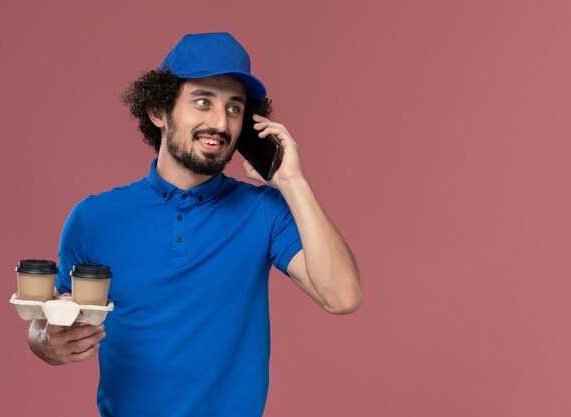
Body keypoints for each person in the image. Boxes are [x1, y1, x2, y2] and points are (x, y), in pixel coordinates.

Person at [27, 32, 363, 417]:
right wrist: (47, 342)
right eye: (203, 102)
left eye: (234, 109)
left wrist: (292, 182)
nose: (220, 123)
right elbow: (50, 318)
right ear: (158, 110)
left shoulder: (264, 211)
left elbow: (343, 297)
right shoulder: (93, 218)